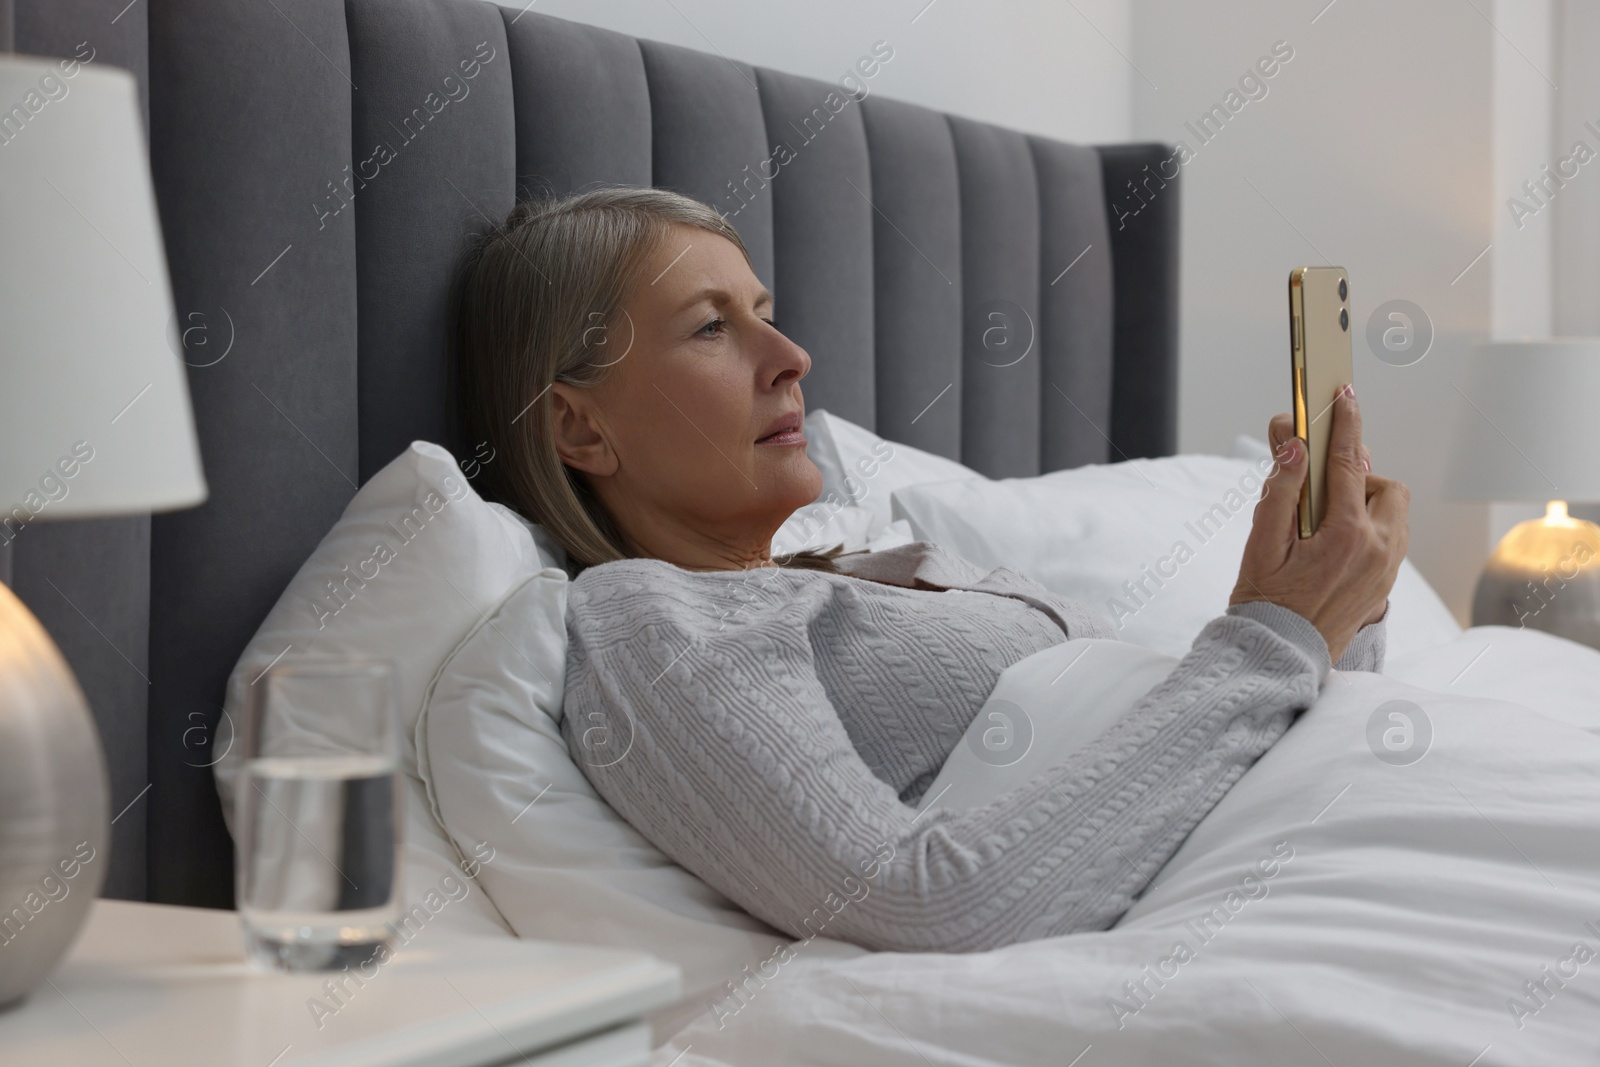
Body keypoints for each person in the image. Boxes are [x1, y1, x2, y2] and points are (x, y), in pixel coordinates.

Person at [450, 187, 1410, 953]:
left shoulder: (877, 566)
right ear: (580, 425)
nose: (791, 357)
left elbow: (1219, 751)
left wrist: (1333, 607)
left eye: (767, 315)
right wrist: (1269, 637)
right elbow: (925, 904)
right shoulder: (656, 622)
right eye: (711, 327)